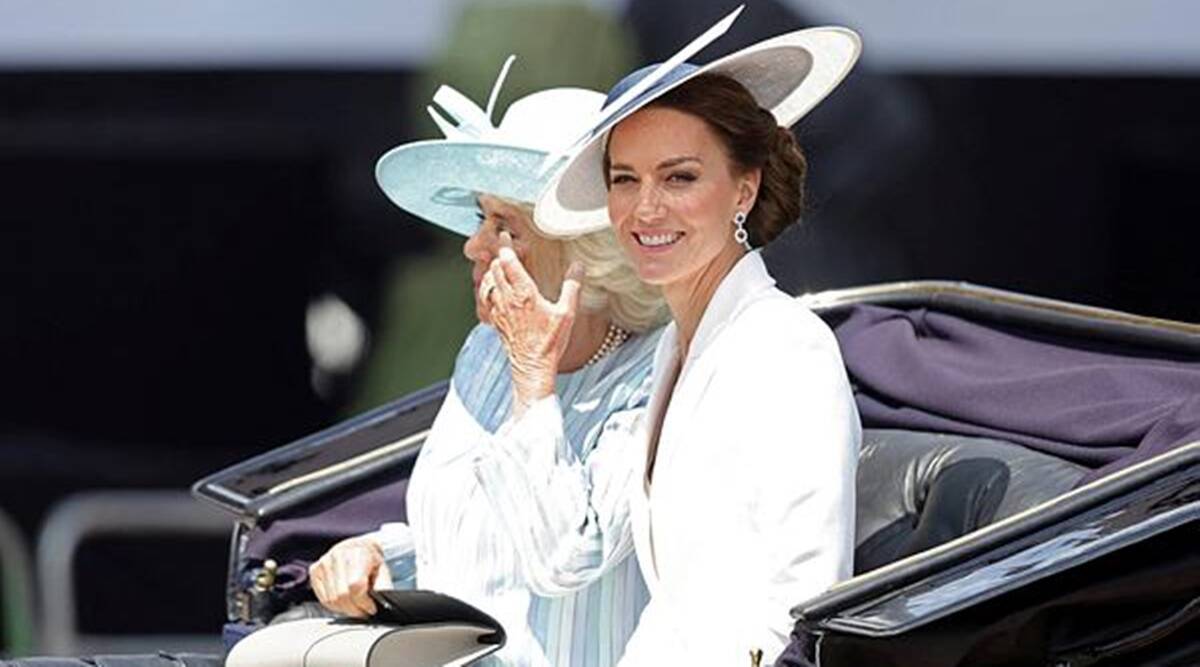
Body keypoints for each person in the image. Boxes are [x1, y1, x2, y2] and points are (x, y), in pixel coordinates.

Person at [521, 12, 864, 665]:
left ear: (744, 187)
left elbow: (806, 602)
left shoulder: (788, 347)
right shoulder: (672, 351)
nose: (645, 208)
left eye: (678, 177)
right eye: (626, 179)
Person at [308, 60, 669, 667]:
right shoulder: (487, 352)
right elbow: (473, 536)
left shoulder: (656, 374)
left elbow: (567, 557)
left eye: (504, 226)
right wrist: (381, 557)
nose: (472, 245)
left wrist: (536, 379)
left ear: (589, 254)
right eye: (480, 217)